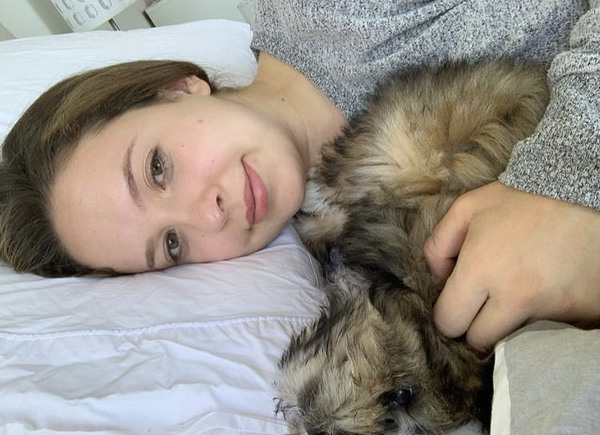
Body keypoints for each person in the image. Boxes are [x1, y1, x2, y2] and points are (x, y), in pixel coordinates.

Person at [0, 0, 599, 350]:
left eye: (157, 169)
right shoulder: (343, 258)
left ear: (177, 87)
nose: (208, 214)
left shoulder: (328, 12)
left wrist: (565, 182)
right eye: (173, 244)